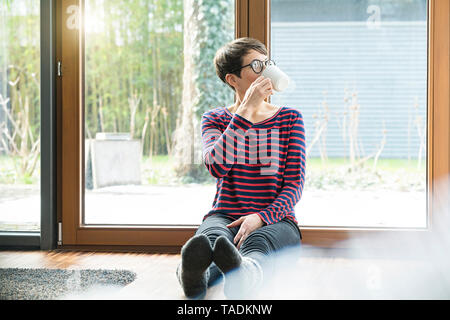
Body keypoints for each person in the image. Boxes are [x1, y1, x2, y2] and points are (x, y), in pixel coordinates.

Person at [176, 37, 306, 299]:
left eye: (267, 63)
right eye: (257, 66)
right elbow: (216, 166)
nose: (266, 71)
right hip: (224, 214)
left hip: (276, 219)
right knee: (210, 239)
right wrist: (246, 110)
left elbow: (294, 186)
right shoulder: (215, 119)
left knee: (257, 243)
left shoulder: (290, 119)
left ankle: (246, 275)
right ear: (232, 79)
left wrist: (260, 217)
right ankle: (192, 277)